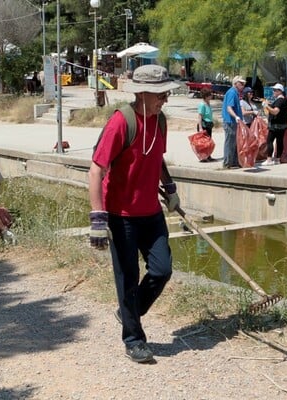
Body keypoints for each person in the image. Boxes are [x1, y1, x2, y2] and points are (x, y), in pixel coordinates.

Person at [88, 64, 180, 364]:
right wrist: (98, 219)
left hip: (151, 213)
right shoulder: (120, 123)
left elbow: (158, 157)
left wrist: (170, 187)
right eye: (159, 94)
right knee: (128, 277)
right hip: (121, 215)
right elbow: (96, 170)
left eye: (165, 94)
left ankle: (129, 311)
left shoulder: (160, 121)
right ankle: (133, 338)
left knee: (162, 269)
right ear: (142, 94)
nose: (164, 99)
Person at [261, 84, 287, 166]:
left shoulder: (279, 100)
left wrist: (266, 106)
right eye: (273, 90)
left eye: (275, 90)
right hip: (282, 124)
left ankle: (269, 159)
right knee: (279, 141)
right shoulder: (283, 100)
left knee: (269, 141)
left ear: (280, 91)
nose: (273, 92)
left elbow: (275, 111)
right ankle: (277, 159)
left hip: (276, 125)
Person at [221, 75, 246, 169]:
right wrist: (236, 116)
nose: (243, 85)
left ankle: (234, 162)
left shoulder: (235, 93)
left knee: (235, 142)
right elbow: (229, 108)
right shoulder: (232, 93)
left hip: (234, 122)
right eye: (241, 83)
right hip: (230, 121)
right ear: (236, 83)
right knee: (230, 142)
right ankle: (227, 163)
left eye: (244, 84)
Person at [196, 87, 215, 162]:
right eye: (210, 95)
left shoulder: (208, 104)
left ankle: (208, 155)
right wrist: (200, 128)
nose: (211, 96)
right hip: (203, 125)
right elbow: (200, 116)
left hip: (208, 125)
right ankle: (203, 157)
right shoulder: (202, 105)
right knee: (203, 142)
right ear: (206, 96)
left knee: (208, 141)